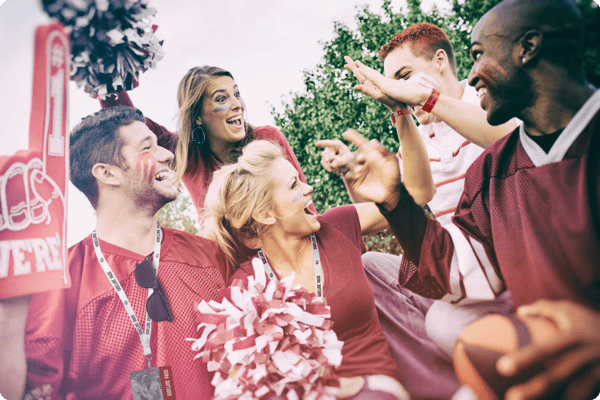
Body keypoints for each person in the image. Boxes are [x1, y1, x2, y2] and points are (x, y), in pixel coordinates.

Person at [339, 0, 600, 397]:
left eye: (479, 55)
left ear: (528, 49)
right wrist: (395, 201)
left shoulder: (511, 137)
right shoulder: (492, 171)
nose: (475, 73)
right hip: (531, 335)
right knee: (440, 325)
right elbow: (457, 268)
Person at [318, 22, 516, 398]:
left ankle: (479, 360)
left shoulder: (483, 105)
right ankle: (440, 378)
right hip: (451, 270)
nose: (396, 86)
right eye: (391, 81)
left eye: (404, 75)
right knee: (370, 266)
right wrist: (398, 119)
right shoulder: (420, 132)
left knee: (443, 321)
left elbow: (511, 137)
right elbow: (410, 199)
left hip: (505, 266)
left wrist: (422, 99)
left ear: (440, 60)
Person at [24, 107, 231, 399]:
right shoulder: (60, 284)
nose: (168, 155)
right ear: (107, 173)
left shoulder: (213, 258)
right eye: (148, 147)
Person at [202, 139, 408, 400]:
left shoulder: (338, 226)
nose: (308, 188)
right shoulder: (246, 289)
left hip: (378, 390)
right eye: (293, 185)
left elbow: (417, 199)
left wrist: (403, 119)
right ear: (265, 214)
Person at [100, 66, 307, 213]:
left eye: (236, 94)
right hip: (230, 271)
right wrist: (104, 74)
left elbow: (305, 204)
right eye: (221, 98)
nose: (238, 105)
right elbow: (129, 123)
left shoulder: (267, 138)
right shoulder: (186, 153)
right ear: (197, 115)